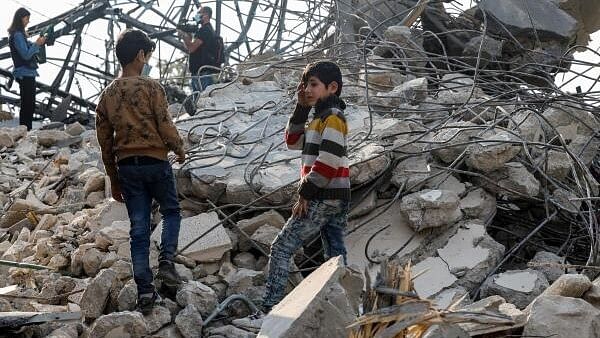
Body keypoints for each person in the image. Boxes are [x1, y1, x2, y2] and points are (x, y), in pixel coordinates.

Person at [95, 29, 186, 315]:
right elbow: (164, 124)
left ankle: (145, 291)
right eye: (147, 56)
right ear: (140, 55)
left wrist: (113, 178)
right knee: (171, 211)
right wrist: (179, 148)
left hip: (128, 168)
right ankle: (167, 263)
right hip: (156, 162)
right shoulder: (151, 87)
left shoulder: (108, 94)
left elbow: (104, 141)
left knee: (138, 229)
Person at [262, 61, 351, 312]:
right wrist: (301, 108)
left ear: (332, 87)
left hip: (323, 196)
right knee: (334, 256)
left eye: (313, 84)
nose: (307, 89)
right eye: (305, 84)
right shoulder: (319, 119)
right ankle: (346, 308)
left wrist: (305, 194)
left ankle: (270, 310)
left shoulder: (332, 118)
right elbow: (292, 141)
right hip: (335, 195)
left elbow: (328, 162)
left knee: (280, 248)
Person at [8, 8, 46, 130]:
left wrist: (33, 43)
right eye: (27, 19)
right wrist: (37, 44)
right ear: (21, 18)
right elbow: (25, 55)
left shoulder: (19, 35)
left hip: (26, 74)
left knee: (28, 103)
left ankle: (25, 130)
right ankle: (25, 130)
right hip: (25, 74)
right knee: (28, 104)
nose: (28, 22)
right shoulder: (18, 35)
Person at [179, 6, 218, 92]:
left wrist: (183, 35)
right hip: (198, 72)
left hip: (202, 73)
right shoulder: (205, 29)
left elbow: (191, 48)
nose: (197, 15)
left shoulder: (205, 30)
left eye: (199, 12)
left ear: (206, 15)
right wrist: (187, 35)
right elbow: (190, 47)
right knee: (199, 101)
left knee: (204, 99)